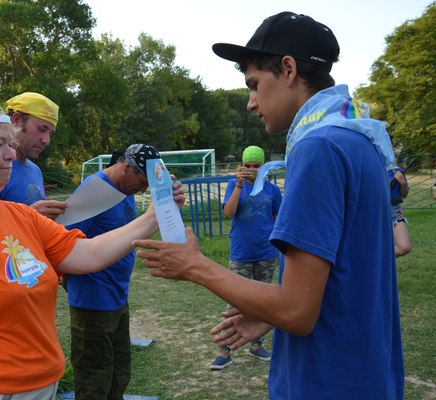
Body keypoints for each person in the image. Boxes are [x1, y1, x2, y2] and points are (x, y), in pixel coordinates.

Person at [133, 12, 404, 399]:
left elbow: (296, 311)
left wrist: (196, 265)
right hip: (365, 372)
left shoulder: (318, 148)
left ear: (289, 69)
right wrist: (267, 314)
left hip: (326, 381)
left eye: (254, 85)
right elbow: (342, 276)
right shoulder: (360, 142)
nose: (250, 103)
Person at [0, 97, 185, 400]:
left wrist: (156, 215)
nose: (10, 154)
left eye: (10, 143)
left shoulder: (22, 216)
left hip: (41, 386)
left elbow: (89, 254)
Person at [65, 143, 160, 400]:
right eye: (141, 182)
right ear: (126, 168)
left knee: (120, 371)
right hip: (92, 301)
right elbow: (64, 245)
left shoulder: (123, 189)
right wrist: (76, 285)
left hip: (117, 296)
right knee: (94, 378)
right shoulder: (93, 192)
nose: (142, 190)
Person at [210, 145, 282, 370]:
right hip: (241, 253)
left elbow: (278, 219)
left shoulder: (272, 190)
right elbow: (228, 213)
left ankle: (256, 345)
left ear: (264, 168)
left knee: (262, 301)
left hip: (266, 253)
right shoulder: (234, 185)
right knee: (235, 301)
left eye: (256, 166)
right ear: (241, 166)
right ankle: (225, 350)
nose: (251, 170)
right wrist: (239, 185)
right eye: (247, 165)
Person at [0, 92, 68, 220]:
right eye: (42, 129)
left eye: (50, 134)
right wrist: (31, 214)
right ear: (16, 120)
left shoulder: (36, 170)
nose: (46, 141)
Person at [389, 165, 412, 257]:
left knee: (404, 247)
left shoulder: (396, 170)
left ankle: (376, 259)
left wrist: (403, 183)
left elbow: (404, 194)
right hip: (373, 210)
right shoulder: (369, 167)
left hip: (394, 210)